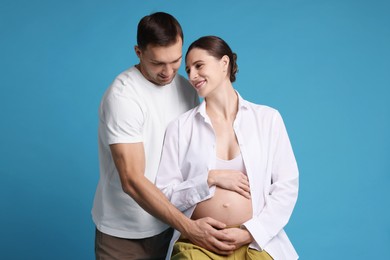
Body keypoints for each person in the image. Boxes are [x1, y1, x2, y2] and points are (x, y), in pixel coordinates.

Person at [92, 14, 237, 259]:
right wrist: (190, 227)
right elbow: (132, 180)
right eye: (158, 63)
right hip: (125, 233)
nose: (168, 72)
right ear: (139, 52)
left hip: (172, 227)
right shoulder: (124, 97)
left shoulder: (186, 89)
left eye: (176, 61)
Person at [156, 36, 299, 259]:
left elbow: (286, 187)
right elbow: (164, 195)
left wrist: (251, 233)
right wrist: (209, 178)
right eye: (188, 69)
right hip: (199, 244)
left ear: (224, 64)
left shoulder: (267, 119)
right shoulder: (180, 128)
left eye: (199, 66)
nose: (192, 76)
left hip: (256, 243)